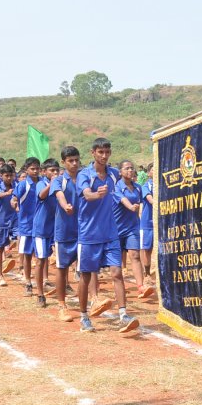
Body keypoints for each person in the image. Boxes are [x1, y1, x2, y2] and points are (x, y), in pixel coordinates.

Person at [76, 137, 139, 334]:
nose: (104, 156)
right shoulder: (84, 174)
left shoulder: (113, 174)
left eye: (107, 152)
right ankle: (84, 316)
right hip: (89, 234)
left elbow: (127, 179)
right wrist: (98, 194)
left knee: (117, 273)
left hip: (111, 233)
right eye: (100, 152)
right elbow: (87, 195)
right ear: (93, 153)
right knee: (86, 276)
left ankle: (123, 314)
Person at [114, 160, 153, 299]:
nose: (130, 170)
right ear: (120, 172)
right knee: (117, 260)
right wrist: (131, 207)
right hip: (116, 228)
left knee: (135, 255)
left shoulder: (138, 187)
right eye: (127, 168)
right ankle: (118, 287)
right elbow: (123, 200)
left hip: (132, 227)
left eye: (132, 168)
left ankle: (141, 287)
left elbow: (145, 201)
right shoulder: (116, 187)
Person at [12, 157, 41, 296]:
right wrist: (14, 204)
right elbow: (14, 198)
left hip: (41, 225)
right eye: (32, 169)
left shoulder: (43, 183)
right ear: (26, 169)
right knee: (28, 255)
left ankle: (43, 281)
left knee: (41, 256)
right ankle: (28, 282)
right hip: (27, 225)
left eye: (37, 168)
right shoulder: (23, 185)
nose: (35, 171)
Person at [33, 158, 59, 306]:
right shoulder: (41, 184)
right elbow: (42, 195)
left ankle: (63, 286)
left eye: (56, 170)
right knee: (40, 260)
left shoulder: (60, 184)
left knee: (59, 259)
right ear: (44, 172)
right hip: (41, 229)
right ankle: (40, 294)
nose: (55, 173)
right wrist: (51, 184)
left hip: (55, 228)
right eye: (52, 170)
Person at [0, 164, 17, 287]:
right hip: (2, 221)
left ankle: (23, 269)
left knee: (20, 241)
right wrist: (8, 193)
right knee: (0, 247)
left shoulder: (16, 186)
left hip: (16, 220)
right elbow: (0, 195)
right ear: (1, 176)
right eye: (6, 176)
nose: (9, 178)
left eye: (10, 175)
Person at [139, 163, 154, 284]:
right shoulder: (146, 186)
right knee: (147, 249)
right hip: (147, 222)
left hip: (160, 223)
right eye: (153, 170)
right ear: (149, 173)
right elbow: (150, 199)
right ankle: (147, 273)